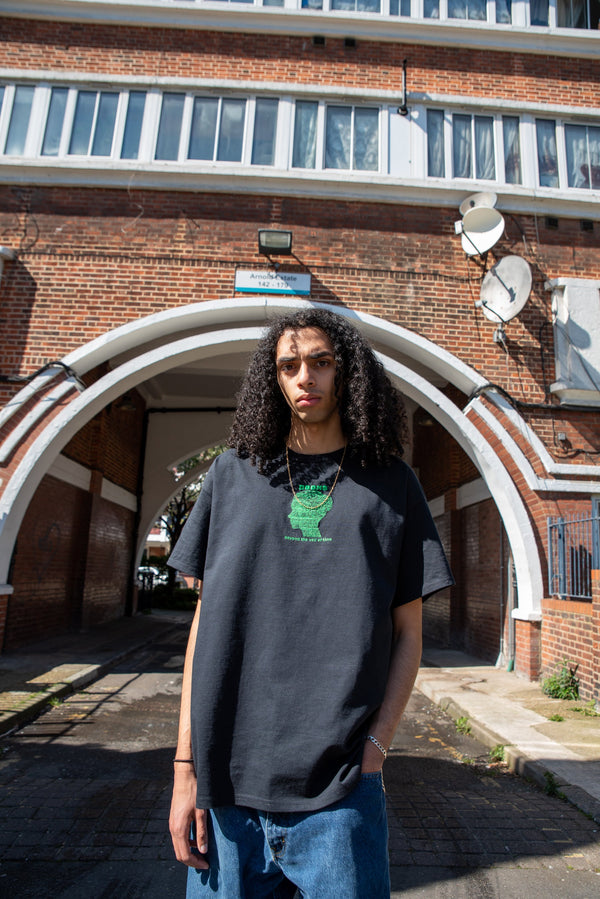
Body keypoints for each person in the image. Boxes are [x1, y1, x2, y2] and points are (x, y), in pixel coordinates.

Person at [168, 307, 454, 898]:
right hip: (227, 788)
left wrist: (375, 750)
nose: (306, 378)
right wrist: (184, 770)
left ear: (347, 372)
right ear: (273, 379)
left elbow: (409, 634)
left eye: (321, 363)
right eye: (290, 365)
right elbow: (204, 629)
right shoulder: (230, 476)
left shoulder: (392, 486)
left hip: (341, 791)